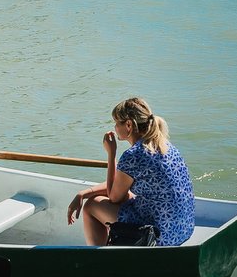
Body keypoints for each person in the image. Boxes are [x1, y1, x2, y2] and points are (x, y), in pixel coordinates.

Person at [67, 97, 194, 247]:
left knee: (91, 205)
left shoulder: (133, 155)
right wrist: (84, 193)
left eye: (116, 122)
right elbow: (120, 185)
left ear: (128, 124)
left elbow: (114, 197)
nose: (114, 127)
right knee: (126, 195)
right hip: (182, 229)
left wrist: (111, 154)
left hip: (160, 236)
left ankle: (99, 261)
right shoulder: (164, 145)